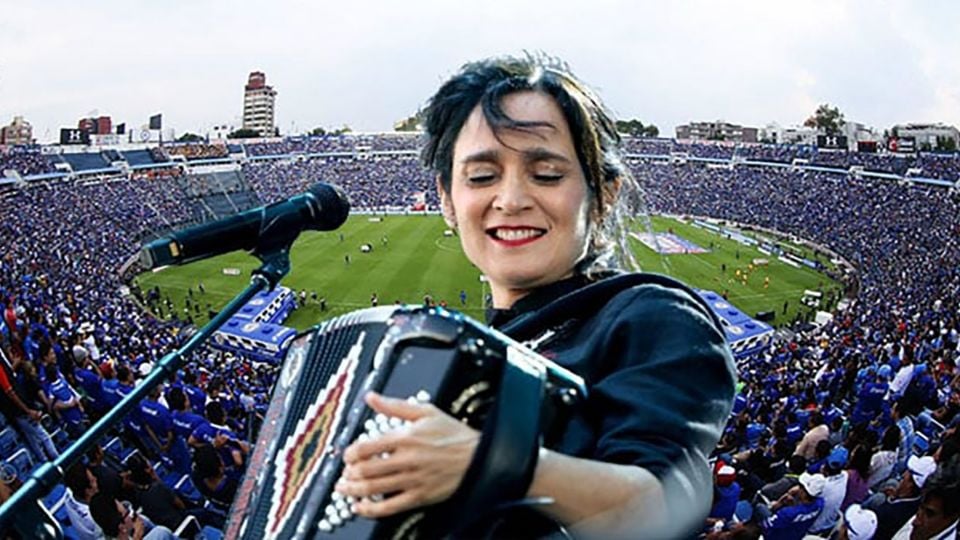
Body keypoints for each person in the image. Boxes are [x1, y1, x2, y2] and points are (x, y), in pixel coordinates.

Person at [334, 54, 736, 538]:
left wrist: (499, 464)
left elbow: (662, 507)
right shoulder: (468, 354)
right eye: (481, 177)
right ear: (446, 199)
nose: (511, 199)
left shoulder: (650, 316)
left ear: (604, 193)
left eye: (546, 174)